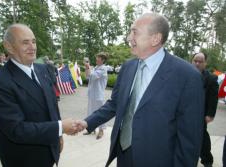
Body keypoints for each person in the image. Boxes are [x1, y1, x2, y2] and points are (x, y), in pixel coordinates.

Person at [76, 13, 205, 167]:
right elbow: (115, 104)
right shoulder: (128, 67)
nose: (129, 38)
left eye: (134, 32)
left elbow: (189, 139)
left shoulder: (187, 76)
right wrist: (86, 122)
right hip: (123, 156)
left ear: (155, 38)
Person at [0, 23, 79, 167]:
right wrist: (60, 128)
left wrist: (58, 136)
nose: (32, 47)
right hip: (25, 158)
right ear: (9, 46)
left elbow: (52, 105)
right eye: (25, 42)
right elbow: (16, 129)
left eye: (33, 41)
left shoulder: (43, 70)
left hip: (49, 150)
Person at [192, 52, 219, 167]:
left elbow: (213, 98)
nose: (197, 64)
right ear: (192, 61)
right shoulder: (185, 74)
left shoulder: (211, 79)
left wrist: (210, 114)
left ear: (205, 63)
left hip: (200, 114)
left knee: (202, 137)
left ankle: (207, 160)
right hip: (184, 113)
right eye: (195, 61)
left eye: (200, 61)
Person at [84, 52, 108, 139]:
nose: (96, 59)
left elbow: (93, 76)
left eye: (98, 58)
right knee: (91, 112)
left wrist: (88, 67)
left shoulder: (103, 69)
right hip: (91, 94)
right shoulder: (95, 68)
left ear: (103, 60)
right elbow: (87, 77)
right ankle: (91, 128)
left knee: (100, 113)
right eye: (96, 57)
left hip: (98, 95)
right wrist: (87, 68)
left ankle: (101, 130)